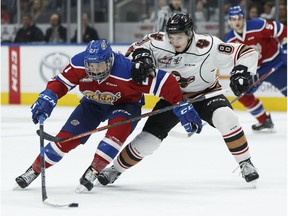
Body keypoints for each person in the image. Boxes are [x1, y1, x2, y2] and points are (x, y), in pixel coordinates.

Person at [96, 13, 260, 188]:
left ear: (190, 33)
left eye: (179, 37)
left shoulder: (209, 45)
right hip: (173, 99)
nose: (175, 41)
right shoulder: (157, 42)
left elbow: (247, 52)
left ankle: (245, 163)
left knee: (227, 118)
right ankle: (115, 169)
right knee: (147, 142)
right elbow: (135, 49)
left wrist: (241, 71)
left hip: (207, 94)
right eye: (171, 37)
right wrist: (140, 56)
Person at [15, 39, 202, 192]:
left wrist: (180, 103)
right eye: (91, 66)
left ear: (110, 61)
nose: (95, 70)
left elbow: (165, 81)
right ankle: (33, 170)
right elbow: (61, 83)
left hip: (125, 105)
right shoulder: (79, 62)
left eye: (100, 65)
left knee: (115, 134)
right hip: (93, 104)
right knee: (66, 139)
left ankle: (93, 170)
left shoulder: (127, 70)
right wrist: (49, 96)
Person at [225, 6, 287, 132]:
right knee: (241, 92)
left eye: (239, 18)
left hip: (275, 63)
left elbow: (281, 30)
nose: (237, 21)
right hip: (254, 71)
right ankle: (264, 120)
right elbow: (234, 62)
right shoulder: (230, 40)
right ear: (229, 21)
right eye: (233, 19)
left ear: (244, 18)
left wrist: (285, 48)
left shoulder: (258, 25)